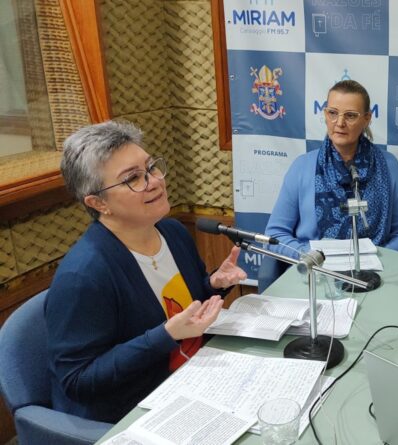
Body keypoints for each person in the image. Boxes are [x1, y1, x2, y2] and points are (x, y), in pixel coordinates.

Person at [46, 121, 247, 423]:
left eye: (151, 168)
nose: (154, 182)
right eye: (133, 179)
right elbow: (78, 381)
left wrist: (214, 285)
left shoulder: (172, 233)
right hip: (133, 409)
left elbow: (182, 313)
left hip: (193, 376)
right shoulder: (84, 276)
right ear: (99, 203)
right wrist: (164, 336)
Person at [258, 80, 398, 290]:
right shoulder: (302, 167)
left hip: (374, 277)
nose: (339, 123)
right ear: (325, 114)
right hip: (315, 276)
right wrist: (310, 257)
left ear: (367, 119)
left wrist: (378, 258)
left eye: (350, 115)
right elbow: (276, 234)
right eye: (333, 113)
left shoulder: (389, 166)